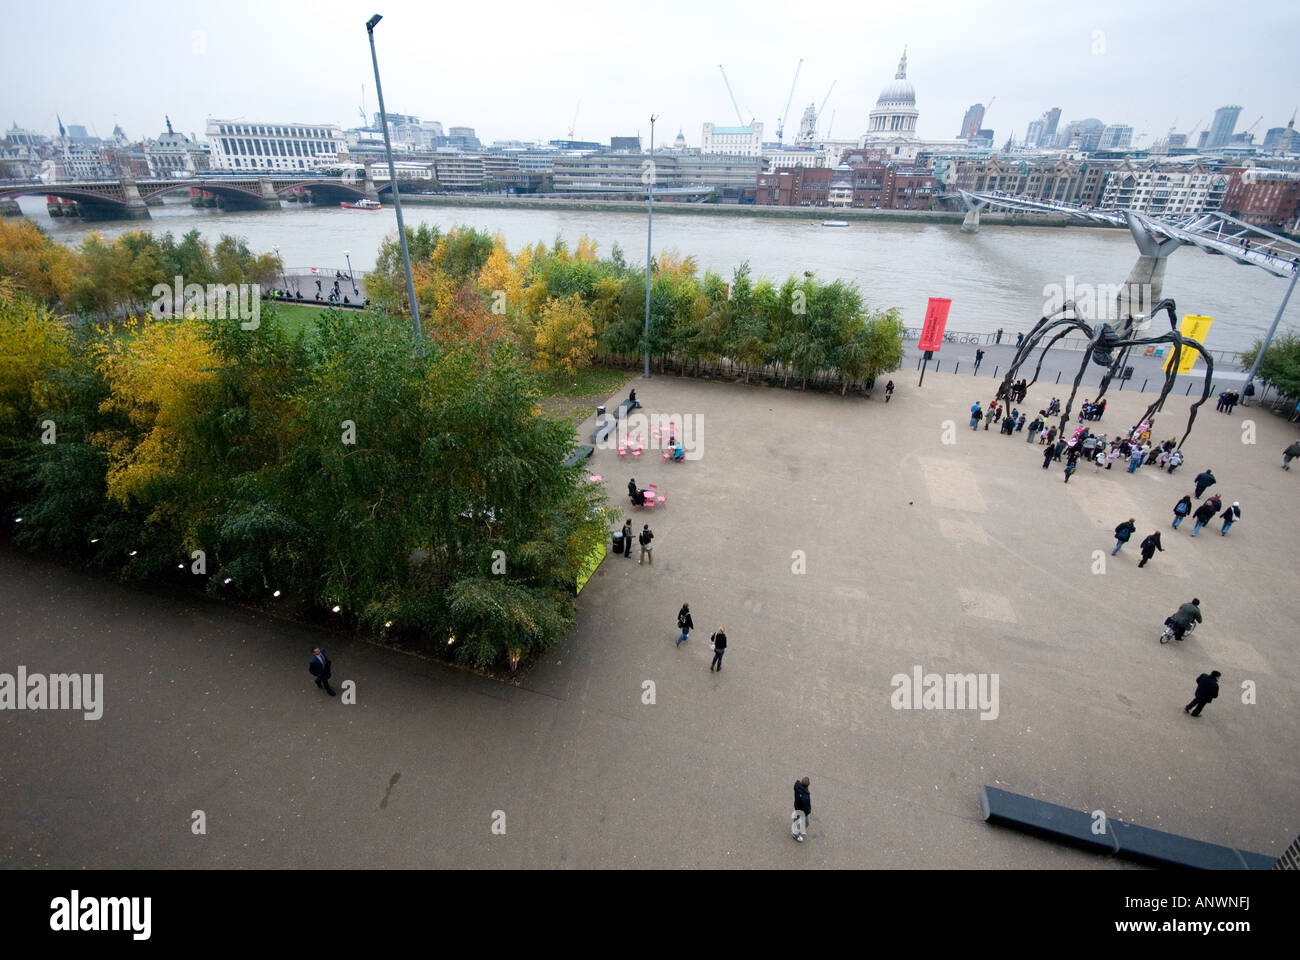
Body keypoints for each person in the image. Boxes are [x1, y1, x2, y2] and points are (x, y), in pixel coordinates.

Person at [792, 777, 812, 842]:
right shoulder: (805, 796)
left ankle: (795, 829)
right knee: (806, 822)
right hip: (802, 811)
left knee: (797, 818)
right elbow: (806, 807)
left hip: (797, 806)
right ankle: (796, 834)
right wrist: (807, 812)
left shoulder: (797, 786)